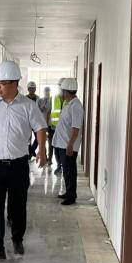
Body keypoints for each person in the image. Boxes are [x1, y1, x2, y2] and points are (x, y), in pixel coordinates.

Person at [0, 61, 48, 259]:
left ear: (14, 83)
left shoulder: (28, 106)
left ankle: (17, 239)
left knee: (18, 206)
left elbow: (40, 127)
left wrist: (41, 150)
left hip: (18, 165)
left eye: (2, 84)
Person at [52, 77, 83, 206]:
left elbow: (76, 127)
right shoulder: (68, 104)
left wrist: (70, 144)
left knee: (70, 171)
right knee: (67, 170)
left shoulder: (75, 106)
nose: (61, 93)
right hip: (63, 143)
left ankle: (71, 196)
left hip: (67, 145)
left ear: (67, 91)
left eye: (62, 90)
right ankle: (68, 192)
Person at [36, 86, 53, 165]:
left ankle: (50, 159)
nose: (47, 93)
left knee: (50, 143)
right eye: (46, 92)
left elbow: (52, 111)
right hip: (41, 126)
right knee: (42, 142)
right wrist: (42, 107)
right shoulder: (39, 100)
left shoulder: (52, 100)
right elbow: (36, 111)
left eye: (48, 92)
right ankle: (44, 157)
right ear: (43, 92)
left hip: (50, 125)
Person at [50, 87, 64, 174]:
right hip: (55, 127)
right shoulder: (55, 97)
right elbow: (53, 111)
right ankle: (59, 165)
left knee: (62, 148)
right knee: (55, 147)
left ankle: (62, 165)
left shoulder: (68, 100)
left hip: (64, 128)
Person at [26, 81, 39, 157]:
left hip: (35, 122)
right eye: (30, 88)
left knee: (38, 138)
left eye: (33, 88)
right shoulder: (24, 98)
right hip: (26, 122)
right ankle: (29, 154)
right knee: (27, 139)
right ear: (28, 89)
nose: (32, 90)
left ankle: (31, 151)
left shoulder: (38, 99)